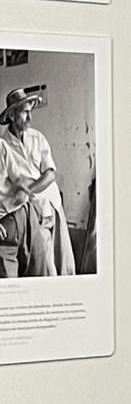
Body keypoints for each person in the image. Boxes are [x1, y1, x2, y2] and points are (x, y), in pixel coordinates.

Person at [0, 84, 73, 277]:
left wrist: (28, 188)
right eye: (24, 113)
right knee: (44, 267)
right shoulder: (3, 145)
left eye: (30, 112)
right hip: (26, 213)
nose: (30, 118)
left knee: (61, 261)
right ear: (12, 115)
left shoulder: (37, 138)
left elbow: (50, 174)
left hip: (49, 205)